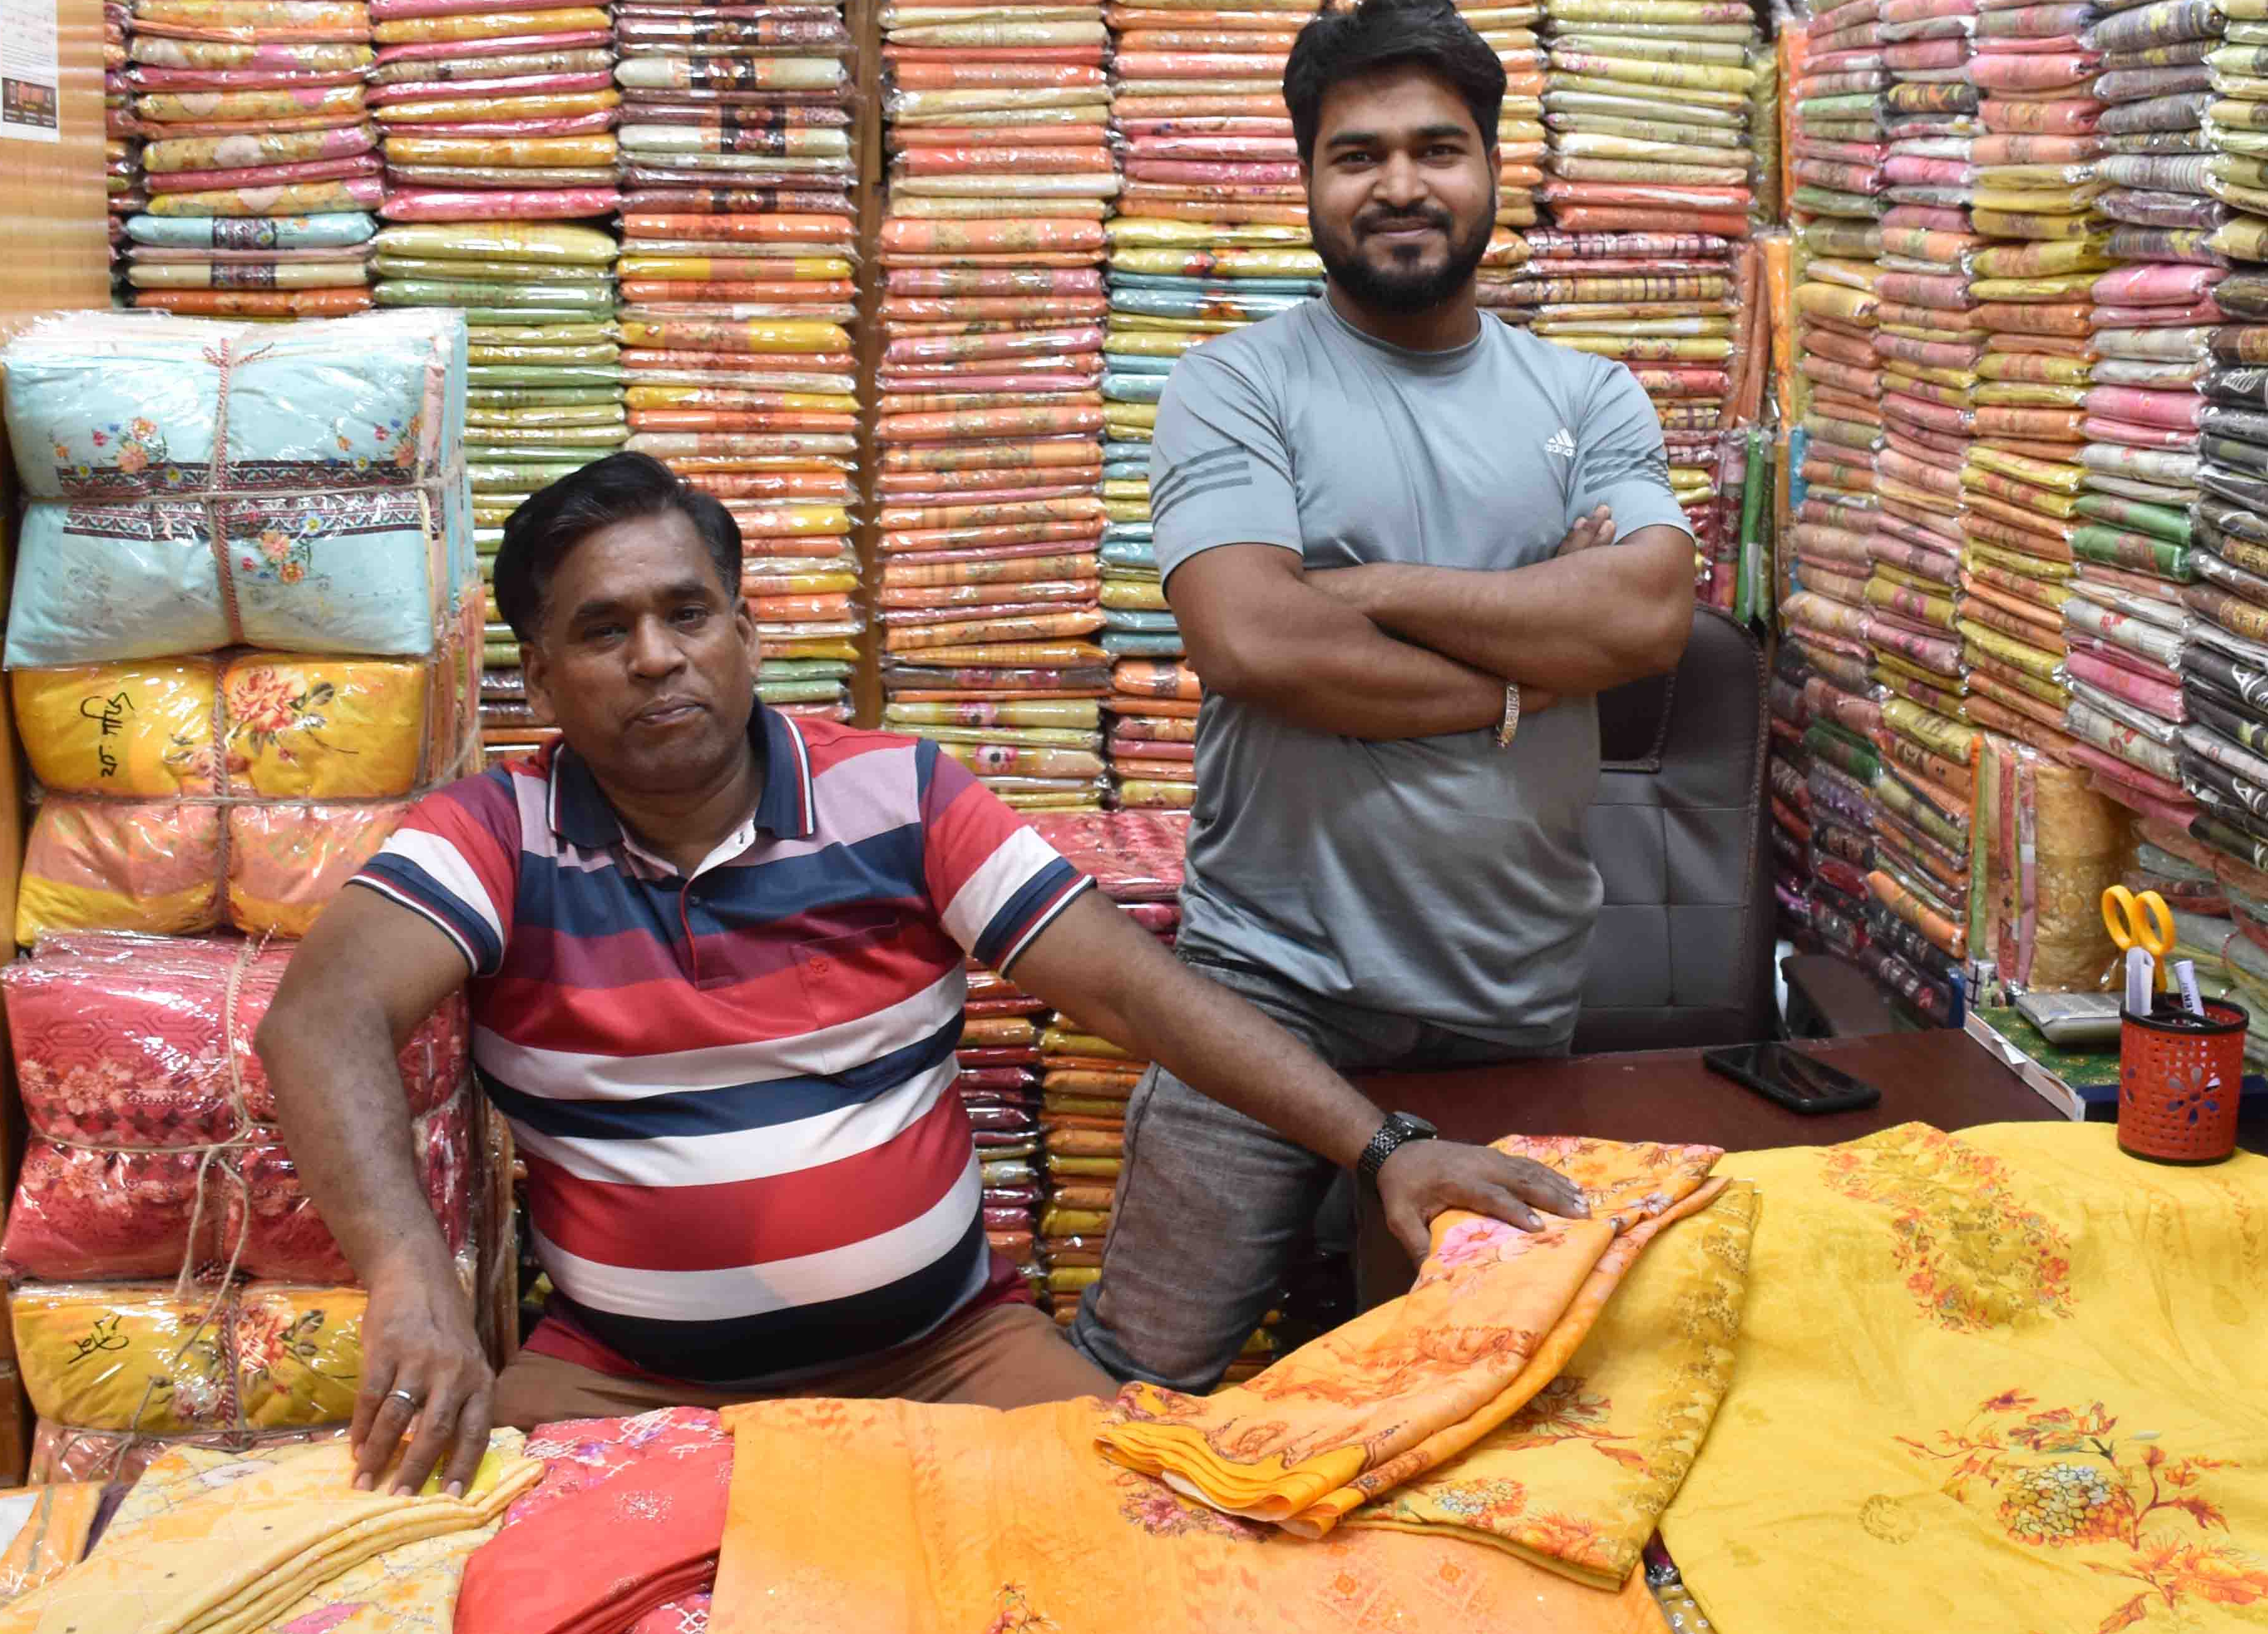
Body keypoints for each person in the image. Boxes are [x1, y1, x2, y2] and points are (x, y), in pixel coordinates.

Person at [259, 450, 1585, 1495]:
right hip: (622, 1377)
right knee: (491, 1612)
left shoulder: (897, 796)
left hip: (950, 1356)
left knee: (1151, 1553)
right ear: (542, 676)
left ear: (745, 632)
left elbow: (1136, 993)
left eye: (687, 612)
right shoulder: (497, 837)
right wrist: (412, 1280)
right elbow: (319, 1021)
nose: (657, 656)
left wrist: (1384, 1146)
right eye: (604, 631)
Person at [1067, 0, 1700, 1391]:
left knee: (1477, 1393)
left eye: (1437, 148)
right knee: (1145, 1373)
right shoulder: (1234, 385)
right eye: (1358, 154)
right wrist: (1532, 667)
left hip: (1510, 989)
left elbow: (1650, 615)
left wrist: (1363, 587)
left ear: (1491, 168)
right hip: (1270, 988)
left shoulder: (1590, 396)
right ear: (1308, 178)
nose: (1401, 185)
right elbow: (1255, 644)